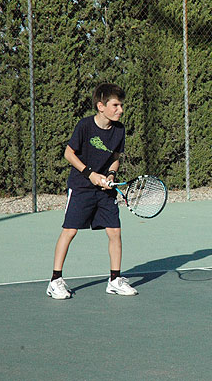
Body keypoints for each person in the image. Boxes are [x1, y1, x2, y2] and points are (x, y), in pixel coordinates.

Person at [46, 83, 137, 299]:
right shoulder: (85, 126)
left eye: (121, 105)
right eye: (115, 105)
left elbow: (115, 158)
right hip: (81, 187)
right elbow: (69, 154)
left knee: (114, 232)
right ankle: (55, 281)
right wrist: (90, 174)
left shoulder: (119, 130)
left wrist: (111, 175)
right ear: (101, 106)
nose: (120, 110)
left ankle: (115, 280)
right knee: (70, 231)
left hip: (105, 191)